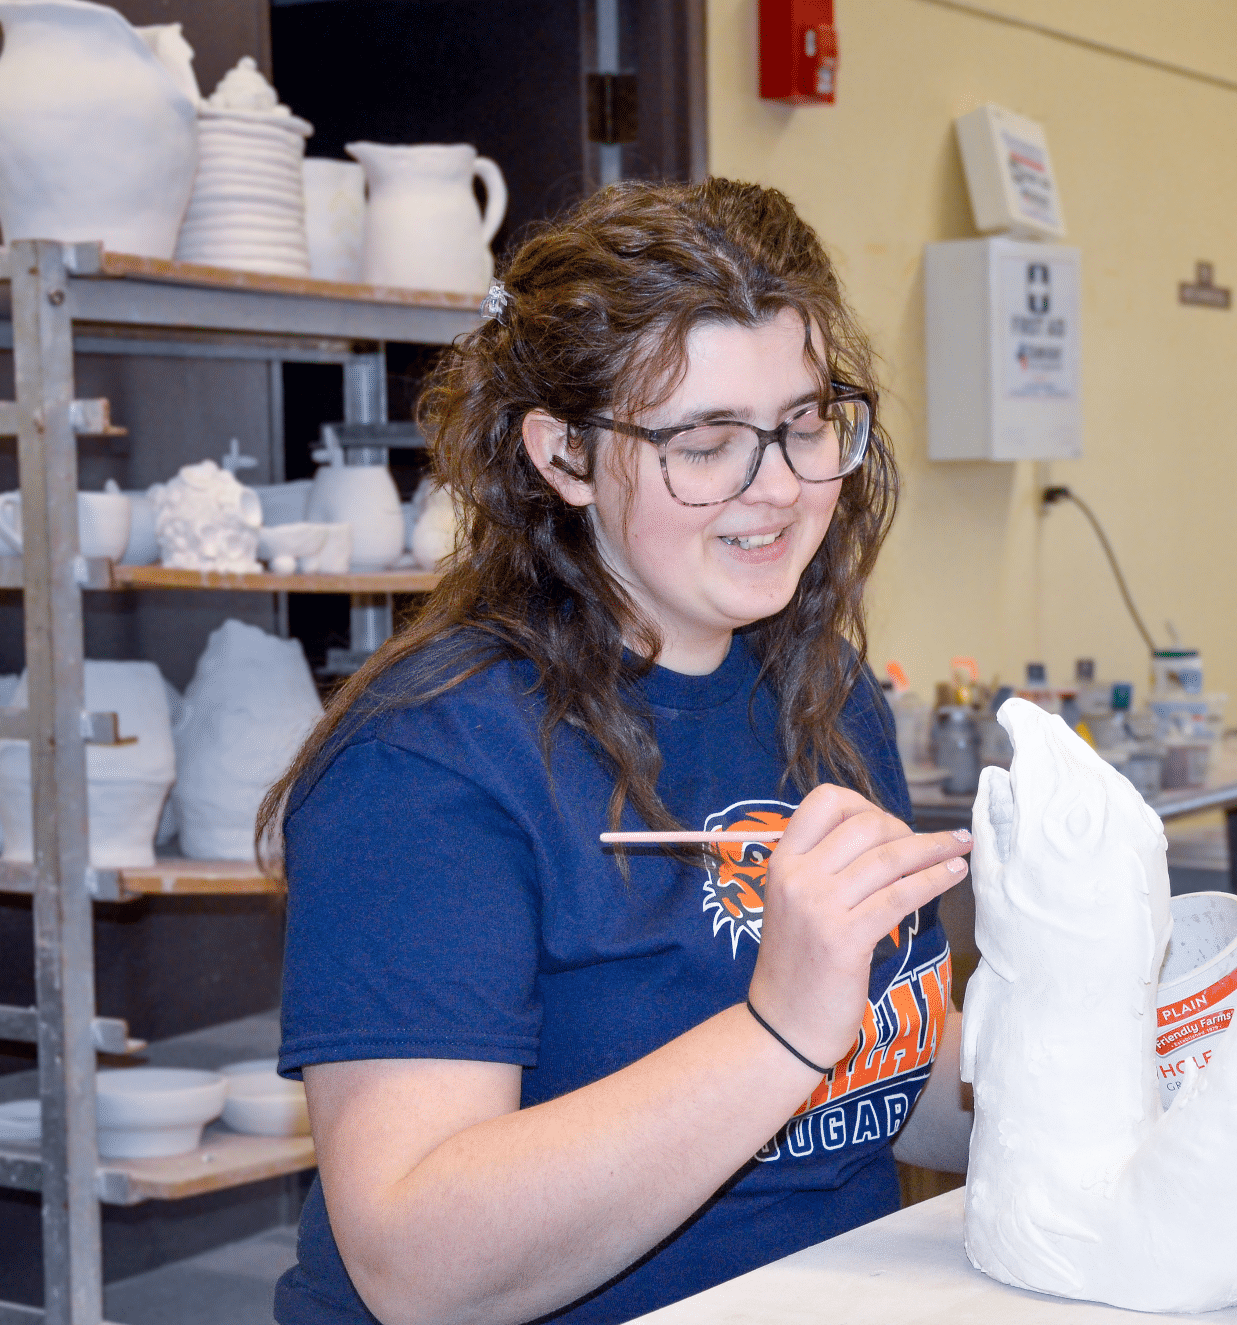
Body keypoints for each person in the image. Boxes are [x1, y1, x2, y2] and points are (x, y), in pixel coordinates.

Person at [262, 178, 974, 1325]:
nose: (781, 487)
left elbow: (899, 1088)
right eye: (705, 442)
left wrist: (1108, 1048)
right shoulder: (429, 756)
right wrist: (776, 1028)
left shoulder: (819, 686)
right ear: (564, 456)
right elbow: (414, 1263)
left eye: (802, 423)